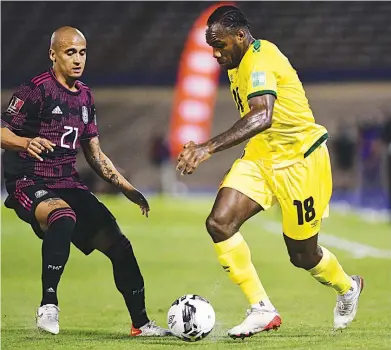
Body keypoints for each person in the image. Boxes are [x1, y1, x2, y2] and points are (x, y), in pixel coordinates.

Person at [176, 6, 363, 339]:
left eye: (220, 46)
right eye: (212, 48)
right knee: (219, 222)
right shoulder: (236, 61)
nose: (216, 54)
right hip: (261, 159)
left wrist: (207, 147)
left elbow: (262, 116)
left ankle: (348, 287)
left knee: (303, 255)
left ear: (240, 36)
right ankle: (261, 309)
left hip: (300, 162)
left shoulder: (261, 60)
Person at [1, 26, 171, 337]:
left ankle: (141, 324)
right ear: (53, 55)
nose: (78, 59)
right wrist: (25, 144)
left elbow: (95, 154)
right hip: (28, 179)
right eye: (70, 52)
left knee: (120, 246)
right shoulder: (36, 89)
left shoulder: (86, 97)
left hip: (67, 182)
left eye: (82, 52)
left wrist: (127, 188)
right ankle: (48, 305)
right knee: (62, 216)